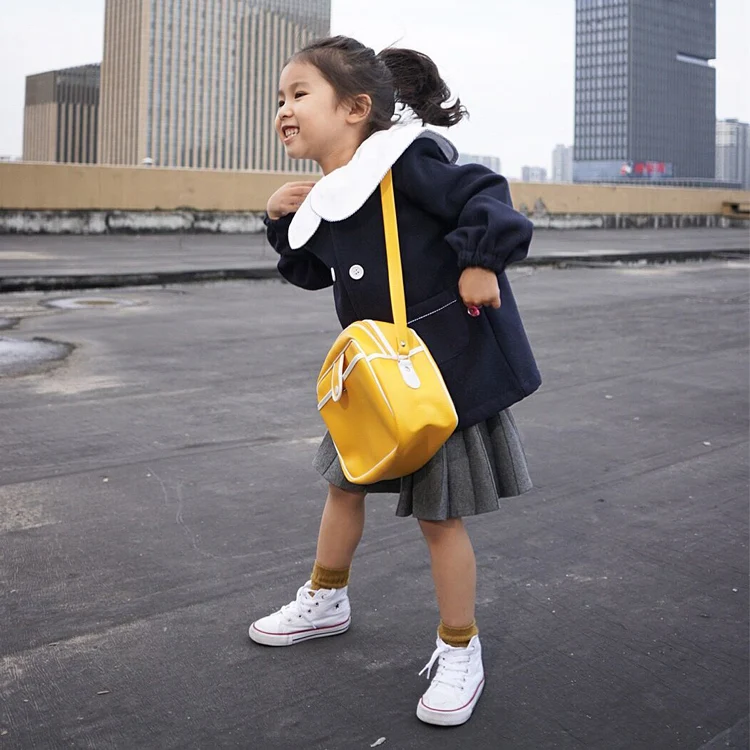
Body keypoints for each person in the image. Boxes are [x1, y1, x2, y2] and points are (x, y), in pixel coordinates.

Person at [249, 35, 541, 727]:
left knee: (440, 518)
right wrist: (278, 218)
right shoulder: (331, 192)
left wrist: (480, 262)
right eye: (279, 100)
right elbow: (308, 268)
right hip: (375, 381)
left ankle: (460, 645)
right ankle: (327, 597)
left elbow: (488, 198)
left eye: (299, 96)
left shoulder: (404, 160)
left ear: (354, 109)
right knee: (342, 485)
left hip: (438, 377)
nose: (284, 110)